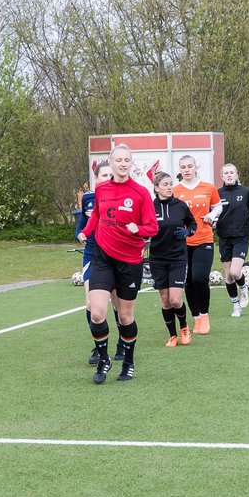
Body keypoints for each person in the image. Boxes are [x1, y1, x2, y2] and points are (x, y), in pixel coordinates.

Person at [78, 144, 159, 383]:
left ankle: (129, 362)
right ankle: (104, 360)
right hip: (102, 258)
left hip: (130, 261)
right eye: (119, 160)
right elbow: (96, 216)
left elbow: (152, 228)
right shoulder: (101, 189)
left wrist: (139, 229)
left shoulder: (141, 192)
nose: (123, 164)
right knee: (96, 312)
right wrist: (85, 232)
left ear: (131, 163)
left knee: (124, 317)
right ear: (110, 163)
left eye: (127, 160)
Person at [173, 155, 221, 335]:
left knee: (199, 278)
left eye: (189, 166)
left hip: (204, 239)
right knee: (188, 281)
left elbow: (218, 206)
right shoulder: (175, 190)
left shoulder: (208, 187)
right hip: (182, 243)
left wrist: (213, 215)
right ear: (180, 169)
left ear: (195, 167)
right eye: (183, 167)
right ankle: (196, 318)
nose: (186, 169)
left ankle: (205, 314)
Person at [149, 172, 196, 347]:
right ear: (156, 188)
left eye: (170, 184)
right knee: (166, 301)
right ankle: (172, 335)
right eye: (165, 184)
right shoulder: (149, 207)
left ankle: (184, 327)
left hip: (177, 258)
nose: (169, 187)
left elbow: (193, 224)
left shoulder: (180, 205)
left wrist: (187, 232)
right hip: (157, 259)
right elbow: (143, 228)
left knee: (176, 300)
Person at [79, 161, 118, 365]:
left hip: (114, 254)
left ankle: (123, 342)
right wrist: (81, 234)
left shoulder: (119, 196)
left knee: (118, 303)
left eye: (111, 175)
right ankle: (99, 347)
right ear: (96, 178)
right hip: (92, 254)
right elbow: (82, 224)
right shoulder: (88, 199)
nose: (108, 179)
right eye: (104, 175)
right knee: (91, 304)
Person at [214, 163, 249, 318]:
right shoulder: (217, 193)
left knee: (235, 271)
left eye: (231, 172)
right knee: (228, 276)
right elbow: (211, 211)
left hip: (241, 237)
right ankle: (235, 306)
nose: (229, 175)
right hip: (224, 237)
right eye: (226, 173)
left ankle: (244, 288)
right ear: (222, 176)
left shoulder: (245, 191)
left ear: (236, 175)